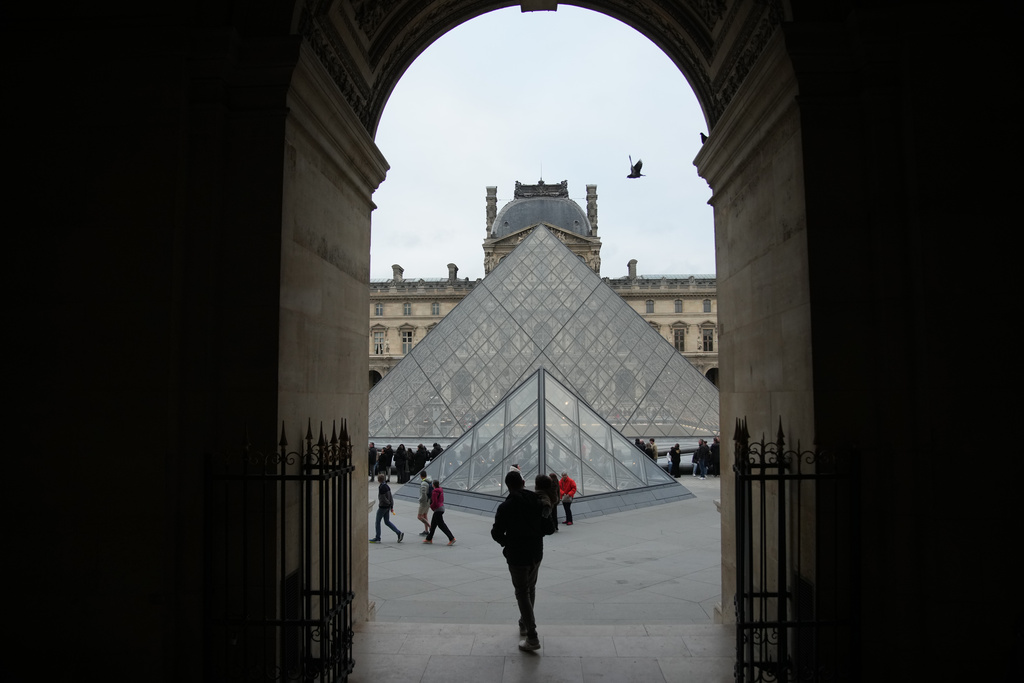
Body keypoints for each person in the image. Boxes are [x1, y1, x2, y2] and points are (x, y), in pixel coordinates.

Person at [491, 471, 546, 651]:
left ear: (507, 486)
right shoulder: (537, 501)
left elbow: (496, 533)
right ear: (523, 482)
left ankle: (532, 635)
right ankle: (524, 622)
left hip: (517, 555)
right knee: (530, 589)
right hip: (536, 552)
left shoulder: (506, 507)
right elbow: (548, 526)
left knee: (522, 592)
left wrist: (508, 544)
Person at [369, 474, 404, 544]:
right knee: (387, 521)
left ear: (379, 480)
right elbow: (390, 496)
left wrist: (387, 503)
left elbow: (382, 498)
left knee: (377, 521)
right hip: (387, 507)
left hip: (383, 507)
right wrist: (391, 506)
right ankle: (398, 533)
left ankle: (377, 537)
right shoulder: (387, 486)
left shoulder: (381, 487)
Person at [423, 479, 456, 545]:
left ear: (433, 485)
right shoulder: (440, 490)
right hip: (441, 508)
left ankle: (451, 538)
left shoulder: (435, 491)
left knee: (441, 525)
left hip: (437, 509)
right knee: (433, 524)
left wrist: (431, 506)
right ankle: (429, 539)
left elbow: (434, 502)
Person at [416, 470, 431, 535]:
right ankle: (426, 531)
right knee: (425, 515)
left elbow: (423, 494)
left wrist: (420, 500)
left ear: (420, 476)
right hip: (428, 501)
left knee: (419, 516)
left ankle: (430, 526)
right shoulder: (429, 481)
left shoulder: (423, 483)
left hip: (424, 502)